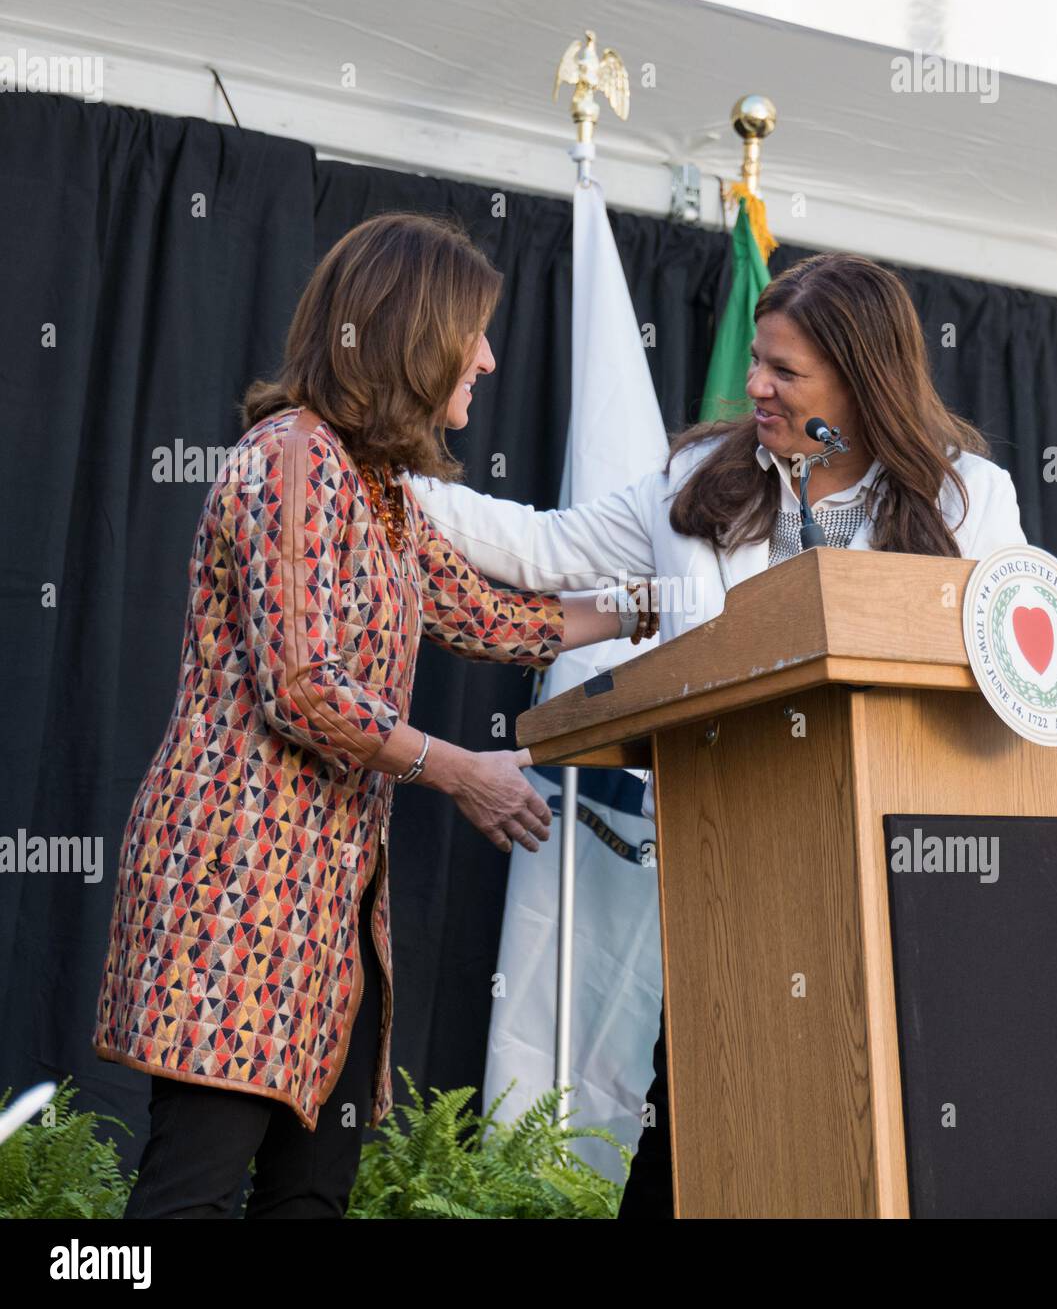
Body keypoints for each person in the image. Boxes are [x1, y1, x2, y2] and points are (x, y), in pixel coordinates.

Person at [408, 251, 1029, 1217]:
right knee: (697, 1149)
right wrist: (375, 478)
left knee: (865, 1159)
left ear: (861, 379)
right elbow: (542, 547)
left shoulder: (970, 501)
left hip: (894, 891)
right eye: (756, 360)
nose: (756, 386)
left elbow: (1015, 658)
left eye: (785, 371)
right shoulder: (705, 476)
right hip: (725, 884)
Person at [94, 211, 655, 1219]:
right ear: (410, 332)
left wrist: (661, 602)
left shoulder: (377, 485)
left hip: (329, 917)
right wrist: (461, 768)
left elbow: (491, 614)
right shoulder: (292, 459)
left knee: (312, 1191)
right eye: (471, 333)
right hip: (237, 896)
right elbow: (305, 683)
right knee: (189, 1196)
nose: (486, 358)